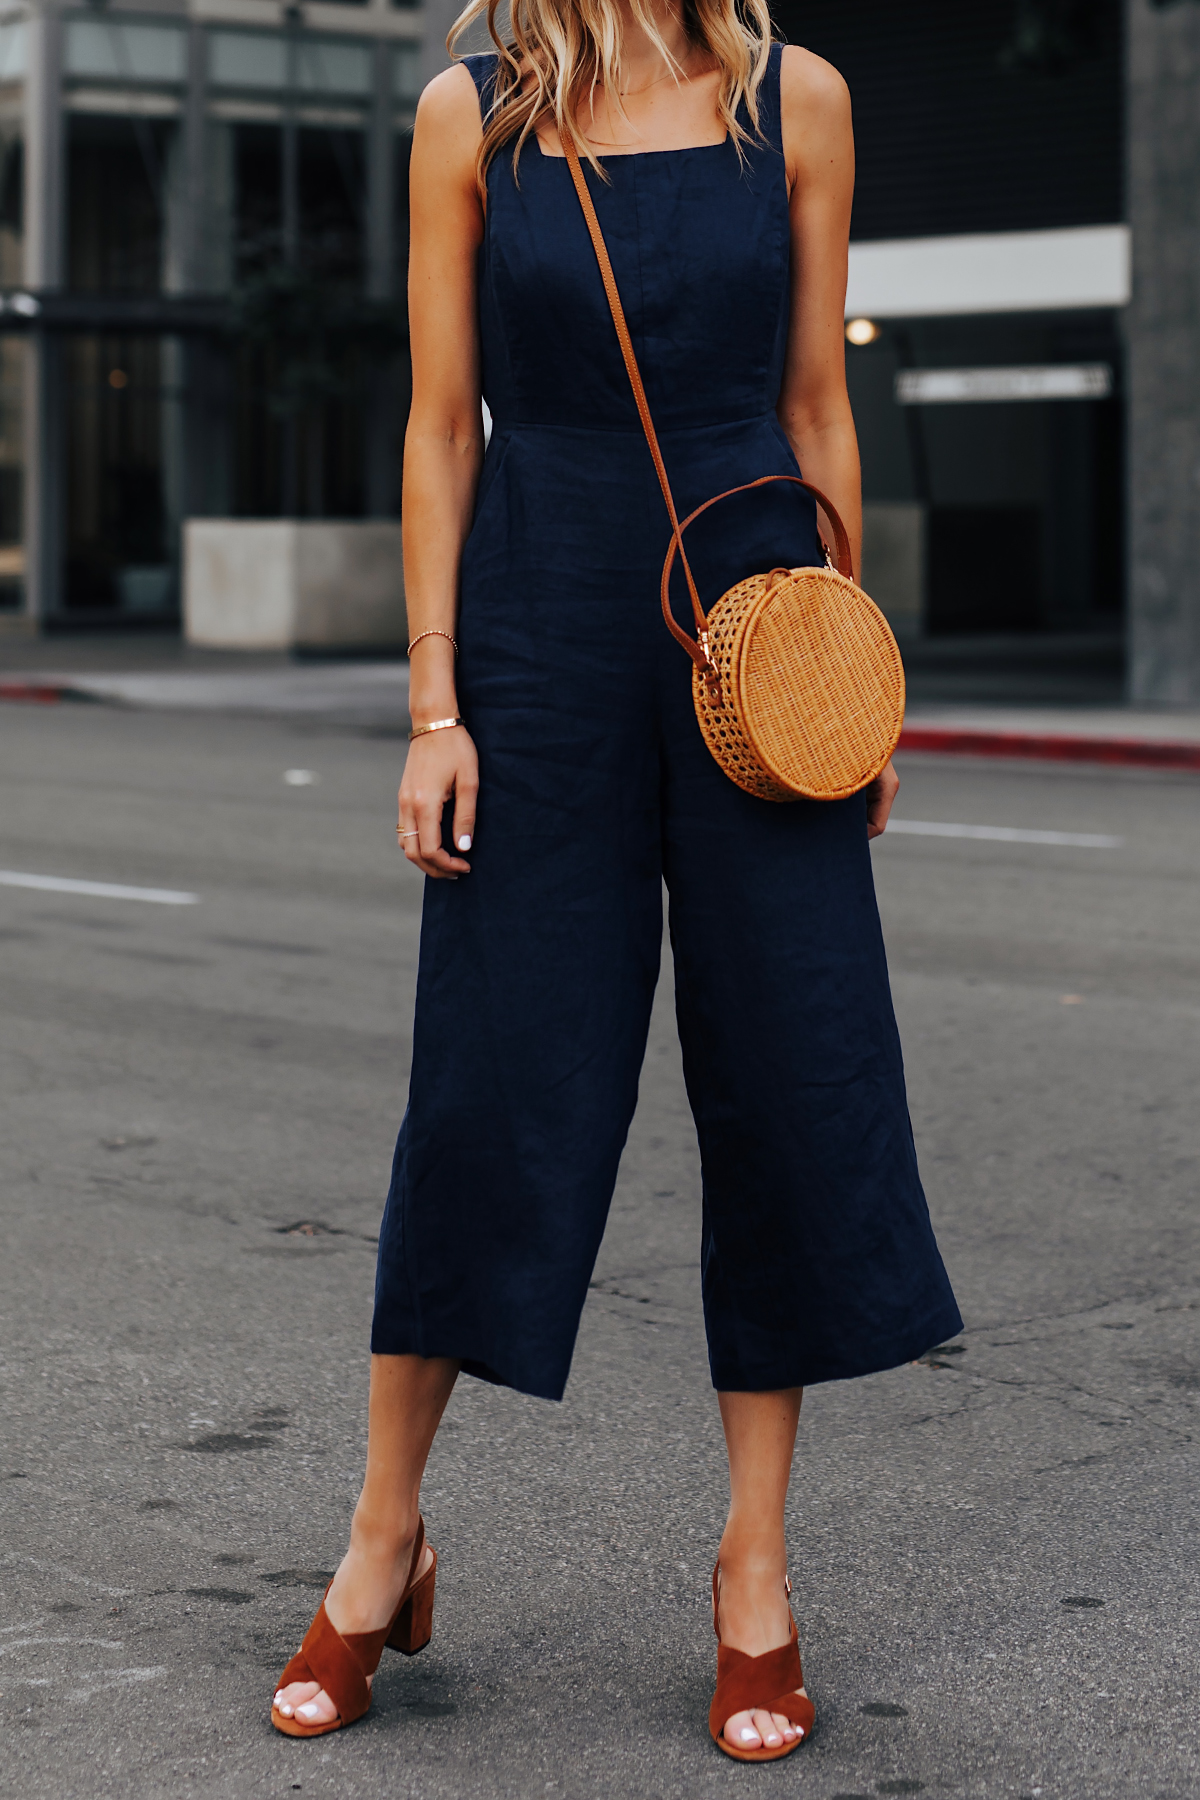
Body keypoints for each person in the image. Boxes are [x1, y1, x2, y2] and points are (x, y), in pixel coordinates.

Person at [271, 0, 961, 1761]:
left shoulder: (796, 97)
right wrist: (434, 702)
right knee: (495, 1085)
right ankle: (382, 1541)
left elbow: (816, 403)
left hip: (760, 613)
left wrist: (847, 681)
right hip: (543, 627)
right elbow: (443, 427)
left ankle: (753, 1566)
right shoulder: (469, 115)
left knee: (790, 1074)